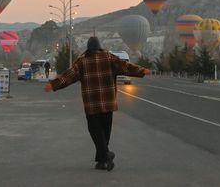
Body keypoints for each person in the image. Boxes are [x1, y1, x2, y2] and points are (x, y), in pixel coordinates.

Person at [44, 36, 150, 171]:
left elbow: (68, 76)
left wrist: (53, 85)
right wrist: (142, 71)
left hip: (92, 105)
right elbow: (126, 67)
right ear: (99, 47)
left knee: (95, 131)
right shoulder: (109, 58)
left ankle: (105, 157)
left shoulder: (82, 62)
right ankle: (103, 160)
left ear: (88, 48)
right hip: (108, 103)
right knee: (105, 132)